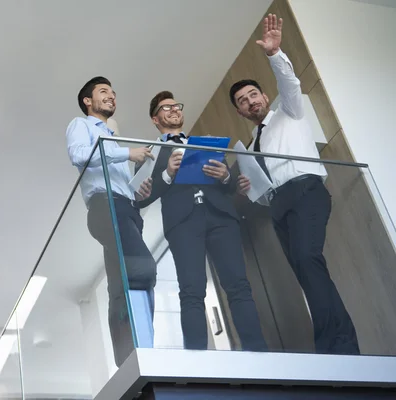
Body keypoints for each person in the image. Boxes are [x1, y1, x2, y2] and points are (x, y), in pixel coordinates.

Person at [230, 14, 359, 355]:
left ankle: (336, 345)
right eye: (242, 101)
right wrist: (251, 188)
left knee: (307, 257)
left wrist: (274, 54)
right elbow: (263, 192)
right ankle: (340, 345)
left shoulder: (290, 112)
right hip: (278, 206)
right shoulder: (254, 143)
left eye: (252, 94)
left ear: (265, 97)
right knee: (307, 271)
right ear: (241, 112)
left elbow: (290, 83)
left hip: (305, 192)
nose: (249, 101)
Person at [138, 90, 267, 351]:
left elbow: (229, 186)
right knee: (192, 290)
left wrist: (226, 178)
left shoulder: (206, 142)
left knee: (239, 285)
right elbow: (142, 197)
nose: (174, 110)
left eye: (177, 106)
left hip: (221, 216)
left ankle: (258, 352)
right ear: (155, 119)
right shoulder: (149, 153)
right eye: (166, 108)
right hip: (183, 223)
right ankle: (196, 358)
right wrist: (167, 173)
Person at [66, 76, 157, 366]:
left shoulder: (110, 138)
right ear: (87, 101)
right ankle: (143, 350)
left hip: (126, 207)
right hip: (105, 208)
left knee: (119, 284)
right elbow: (79, 155)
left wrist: (137, 187)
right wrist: (127, 153)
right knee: (142, 269)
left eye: (113, 93)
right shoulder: (81, 125)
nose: (111, 96)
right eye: (104, 92)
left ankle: (128, 360)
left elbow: (119, 182)